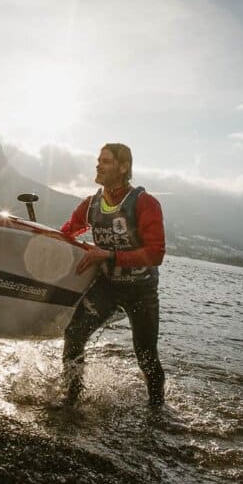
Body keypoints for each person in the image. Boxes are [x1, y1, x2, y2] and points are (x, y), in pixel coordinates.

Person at [60, 143, 165, 406]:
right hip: (107, 286)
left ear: (123, 166)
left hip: (141, 290)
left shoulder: (145, 203)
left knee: (146, 356)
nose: (98, 165)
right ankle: (71, 399)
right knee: (74, 335)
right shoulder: (90, 204)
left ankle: (157, 412)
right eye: (98, 160)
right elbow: (67, 233)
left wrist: (108, 255)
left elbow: (155, 254)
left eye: (105, 161)